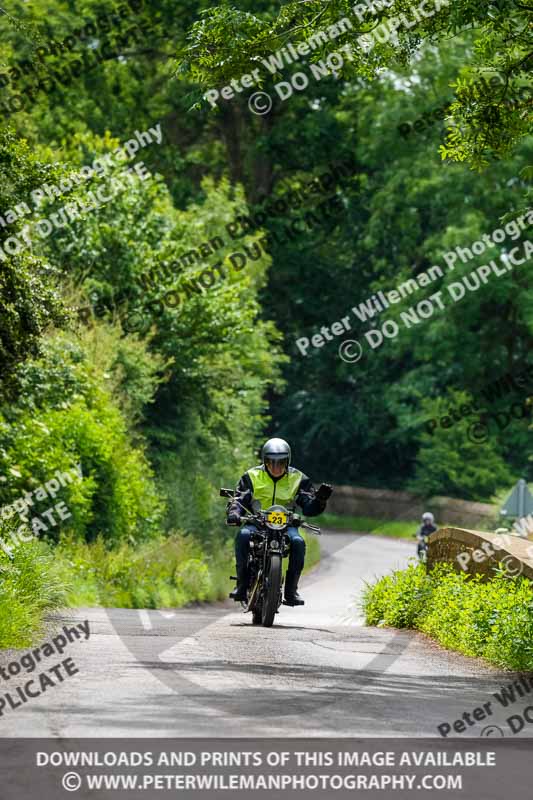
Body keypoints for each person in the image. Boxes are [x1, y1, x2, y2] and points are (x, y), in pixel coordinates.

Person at [226, 437, 332, 606]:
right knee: (243, 537)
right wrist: (234, 513)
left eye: (281, 462)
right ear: (265, 461)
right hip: (257, 523)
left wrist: (320, 500)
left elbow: (308, 508)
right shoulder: (251, 476)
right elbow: (238, 500)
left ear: (287, 461)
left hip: (286, 526)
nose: (276, 467)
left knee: (298, 542)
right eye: (271, 462)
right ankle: (242, 585)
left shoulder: (298, 479)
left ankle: (291, 591)